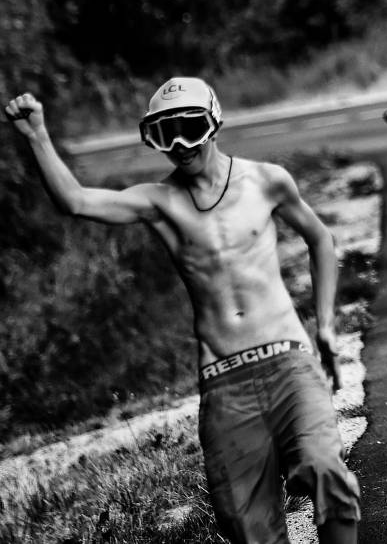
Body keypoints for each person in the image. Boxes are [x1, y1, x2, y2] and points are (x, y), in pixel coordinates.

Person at [5, 79, 360, 544]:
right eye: (164, 132)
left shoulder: (267, 180)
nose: (178, 145)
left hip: (289, 361)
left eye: (189, 128)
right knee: (247, 526)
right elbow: (76, 201)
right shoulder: (160, 201)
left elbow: (320, 238)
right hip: (224, 382)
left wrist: (327, 326)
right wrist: (37, 136)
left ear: (213, 125)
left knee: (324, 469)